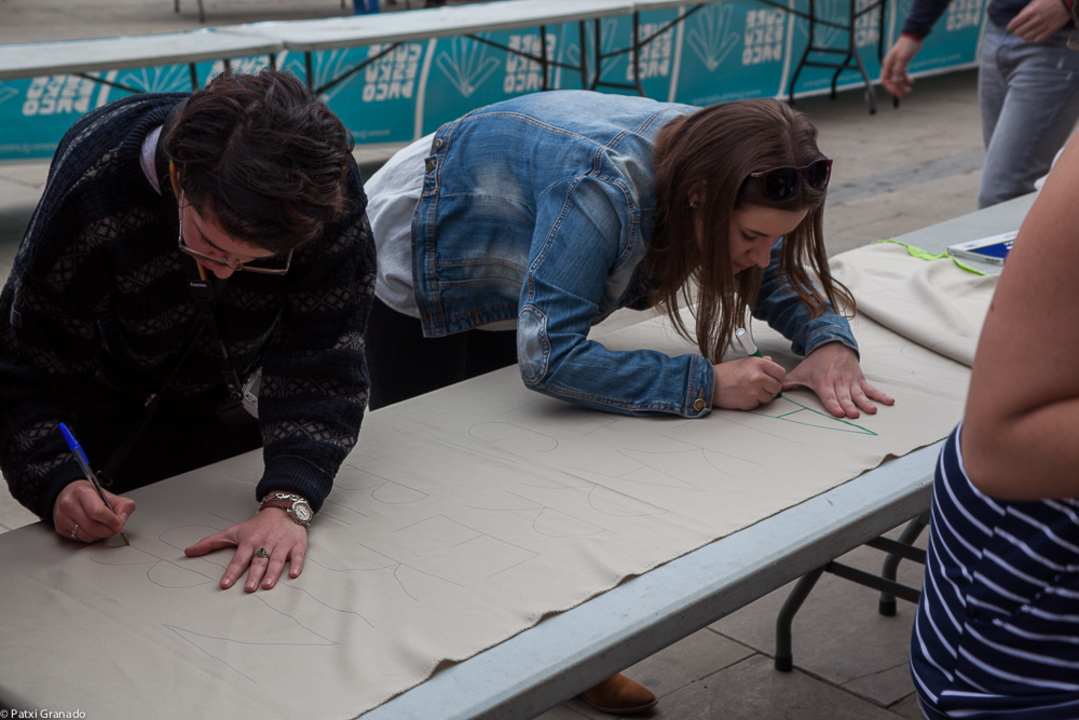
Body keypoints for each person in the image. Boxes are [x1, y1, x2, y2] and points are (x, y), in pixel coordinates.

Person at [363, 90, 894, 713]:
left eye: (773, 237)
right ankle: (433, 679)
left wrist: (829, 340)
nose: (759, 254)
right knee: (438, 487)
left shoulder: (728, 164)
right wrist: (705, 383)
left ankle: (566, 657)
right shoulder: (602, 187)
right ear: (700, 196)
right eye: (750, 236)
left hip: (526, 241)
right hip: (432, 240)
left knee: (529, 473)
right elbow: (550, 357)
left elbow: (770, 270)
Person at [0, 70, 376, 595]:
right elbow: (25, 366)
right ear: (179, 176)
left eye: (258, 260)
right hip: (108, 390)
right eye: (209, 245)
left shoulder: (320, 190)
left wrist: (288, 501)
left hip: (236, 390)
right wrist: (55, 479)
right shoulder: (94, 181)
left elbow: (325, 354)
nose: (224, 271)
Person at [908, 88, 1079, 720]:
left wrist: (824, 334)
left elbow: (789, 270)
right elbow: (1001, 441)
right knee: (1001, 183)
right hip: (1036, 640)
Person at [881, 0, 1079, 208]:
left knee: (1001, 192)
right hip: (999, 29)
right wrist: (913, 31)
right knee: (1008, 184)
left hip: (1059, 39)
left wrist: (1066, 3)